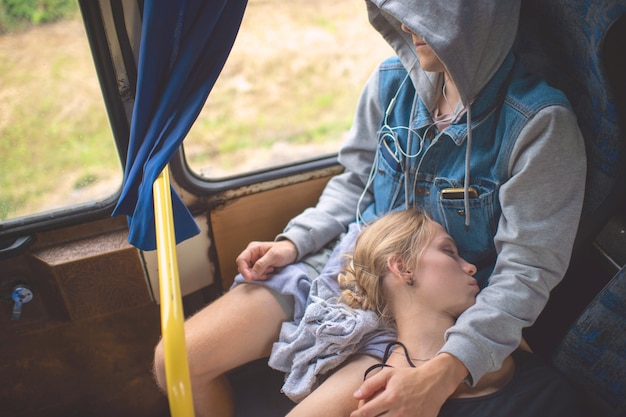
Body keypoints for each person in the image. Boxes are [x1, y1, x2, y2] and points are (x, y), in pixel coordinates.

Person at [152, 0, 587, 416]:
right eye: (401, 11)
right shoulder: (390, 84)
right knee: (175, 362)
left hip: (425, 304)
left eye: (424, 13)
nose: (407, 25)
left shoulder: (540, 125)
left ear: (476, 15)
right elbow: (355, 182)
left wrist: (447, 367)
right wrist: (293, 242)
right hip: (344, 265)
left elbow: (526, 273)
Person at [336, 209, 580, 417]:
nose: (470, 267)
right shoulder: (388, 400)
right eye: (449, 252)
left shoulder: (505, 335)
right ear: (404, 268)